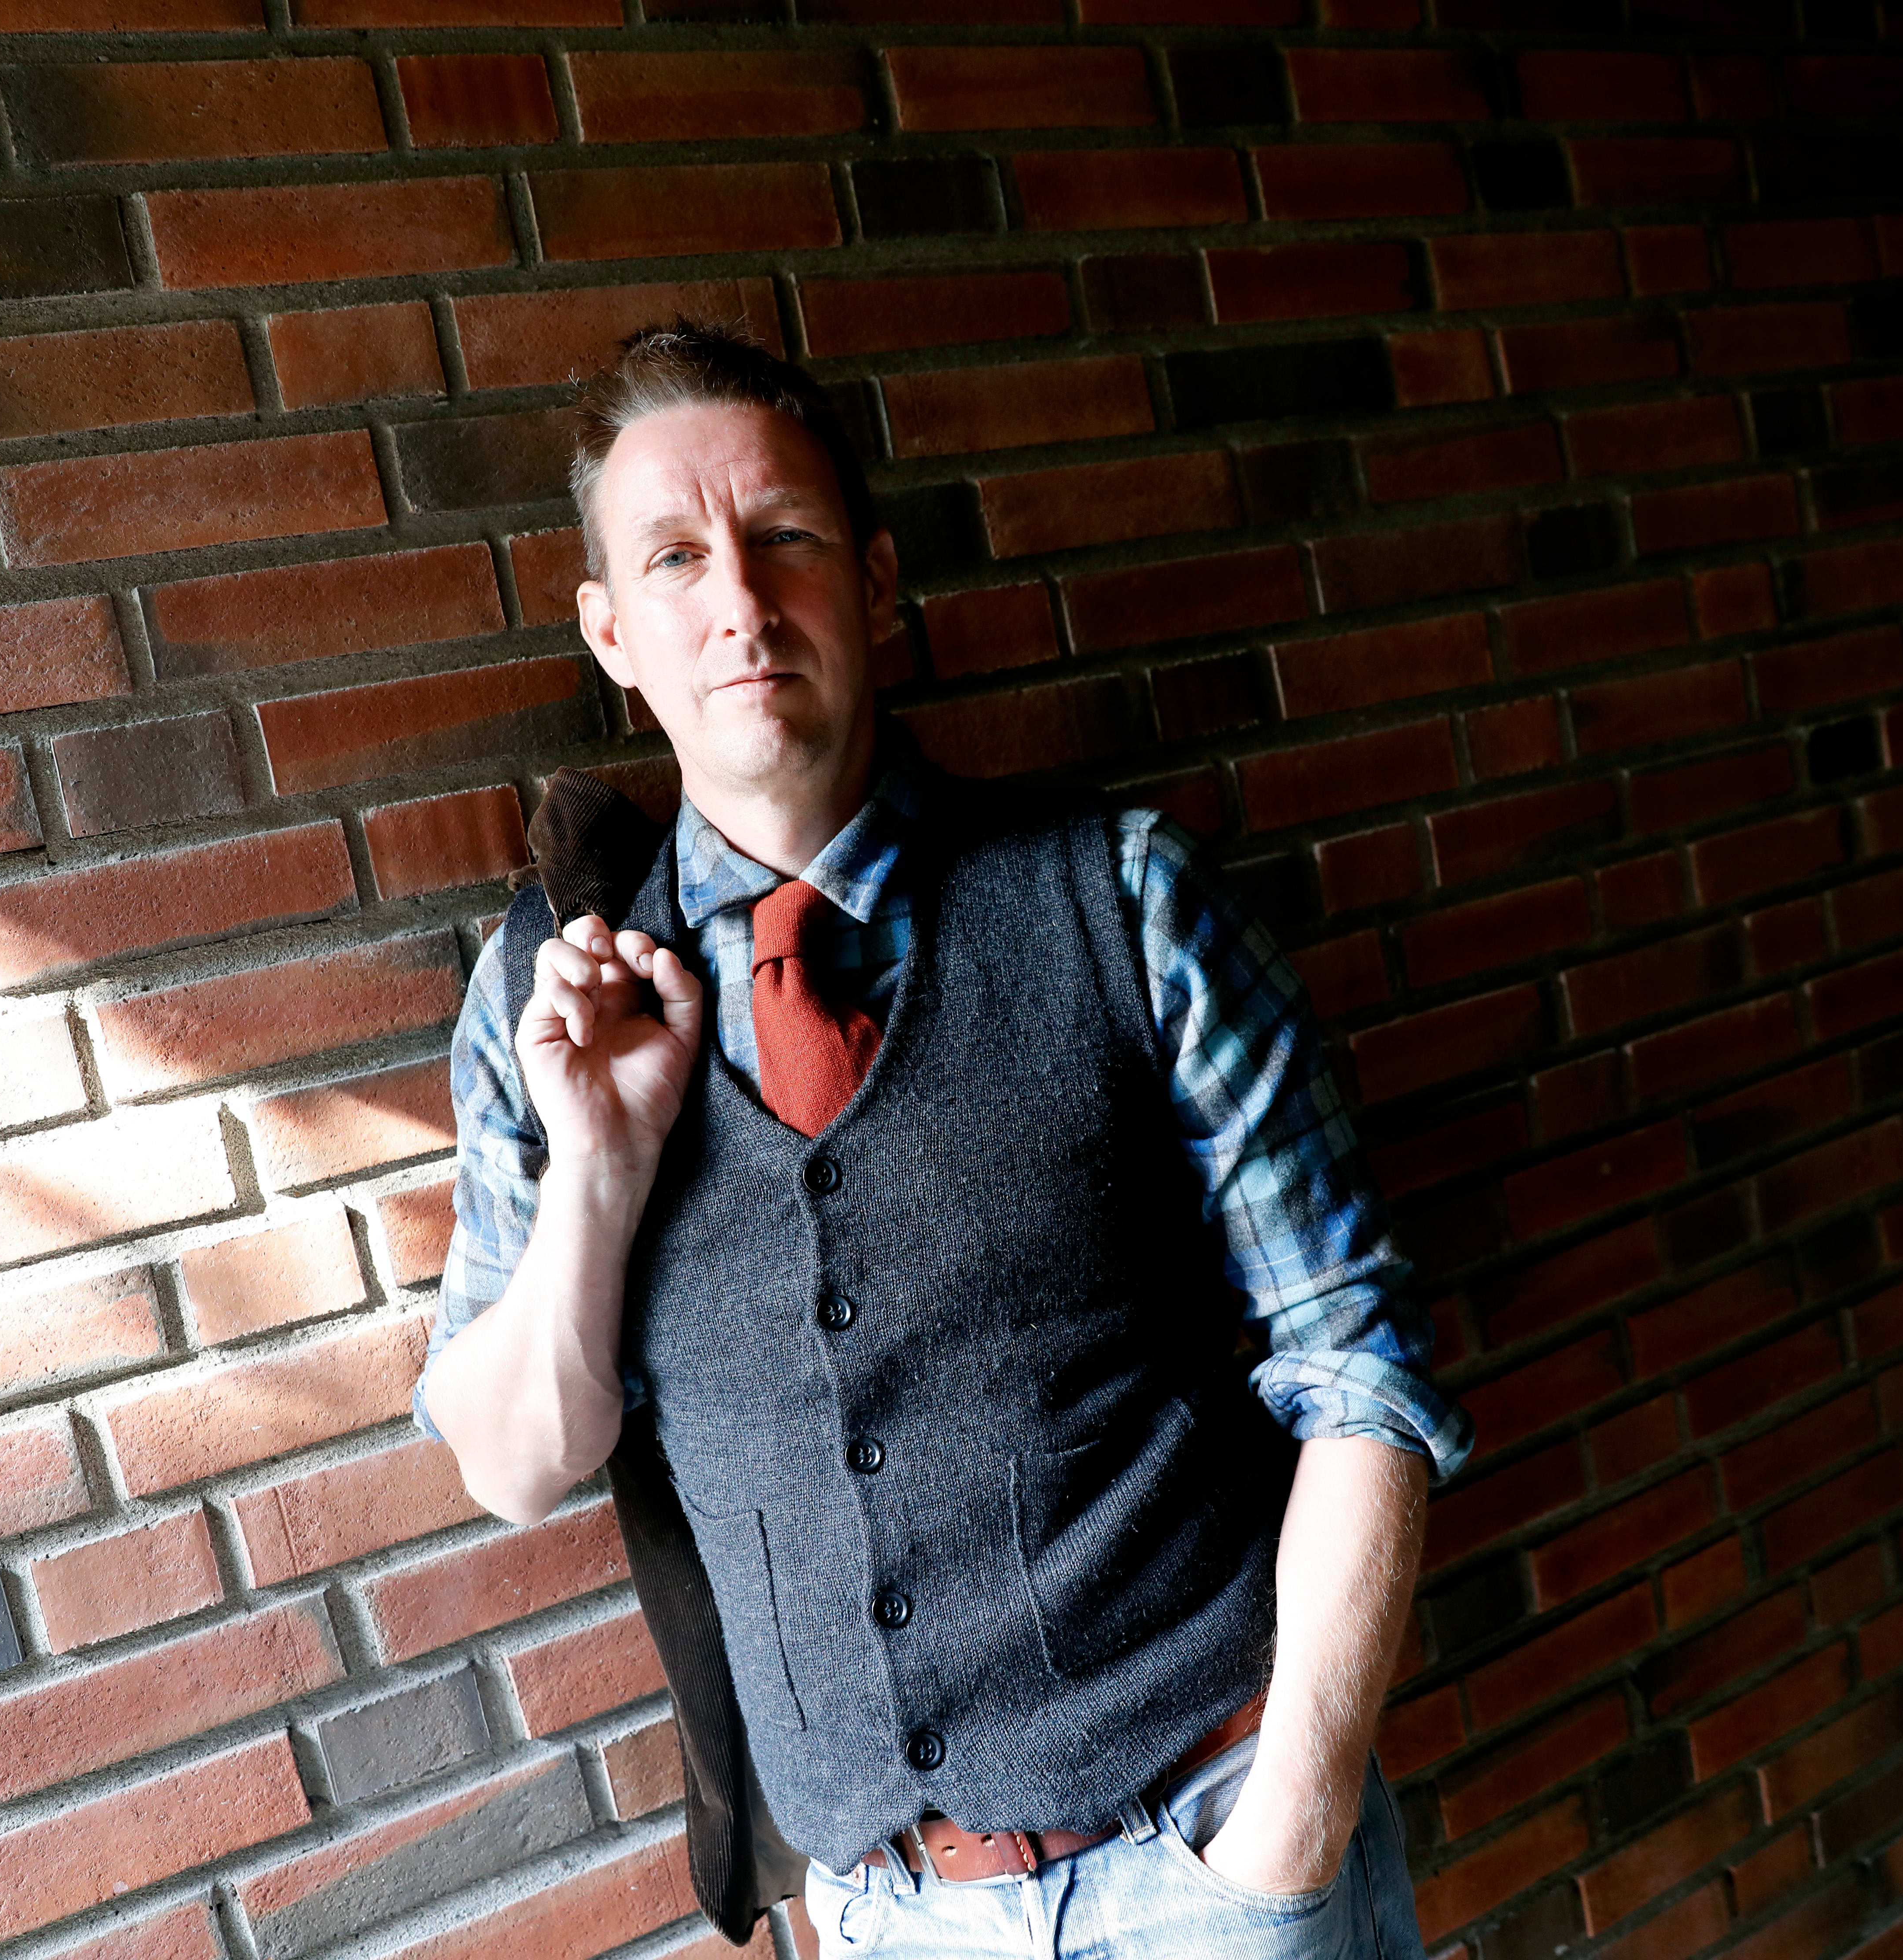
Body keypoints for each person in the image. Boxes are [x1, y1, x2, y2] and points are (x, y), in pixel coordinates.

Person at [414, 321, 1473, 1960]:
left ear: (876, 580)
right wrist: (599, 1177)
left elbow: (1359, 1359)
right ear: (612, 632)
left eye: (786, 538)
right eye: (677, 558)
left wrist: (1288, 1836)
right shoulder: (542, 998)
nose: (740, 602)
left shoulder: (1124, 900)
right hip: (890, 1917)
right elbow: (512, 1464)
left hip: (1212, 1856)